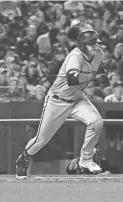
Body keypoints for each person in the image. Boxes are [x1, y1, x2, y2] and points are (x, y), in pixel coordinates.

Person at [16, 29, 108, 179]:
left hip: (78, 99)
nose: (95, 46)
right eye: (91, 44)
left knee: (97, 122)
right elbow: (72, 79)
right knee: (41, 139)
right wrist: (94, 77)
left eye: (95, 43)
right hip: (57, 100)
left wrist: (102, 75)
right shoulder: (75, 56)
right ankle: (23, 159)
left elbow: (98, 70)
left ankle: (86, 159)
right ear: (83, 45)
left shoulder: (99, 53)